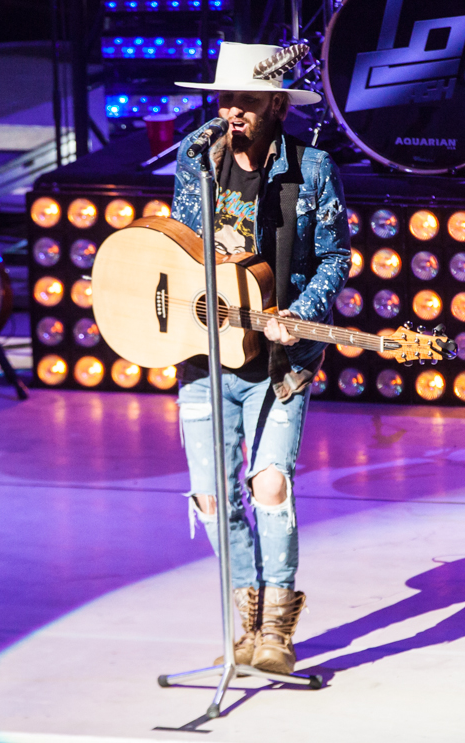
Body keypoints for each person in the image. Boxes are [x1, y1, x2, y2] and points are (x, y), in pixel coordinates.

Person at [170, 42, 351, 675]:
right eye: (226, 100)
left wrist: (298, 312)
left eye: (246, 101)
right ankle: (244, 621)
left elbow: (335, 256)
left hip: (279, 360)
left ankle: (277, 625)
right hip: (204, 354)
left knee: (269, 484)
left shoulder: (313, 168)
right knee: (211, 498)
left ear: (276, 106)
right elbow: (180, 250)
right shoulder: (197, 158)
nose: (232, 112)